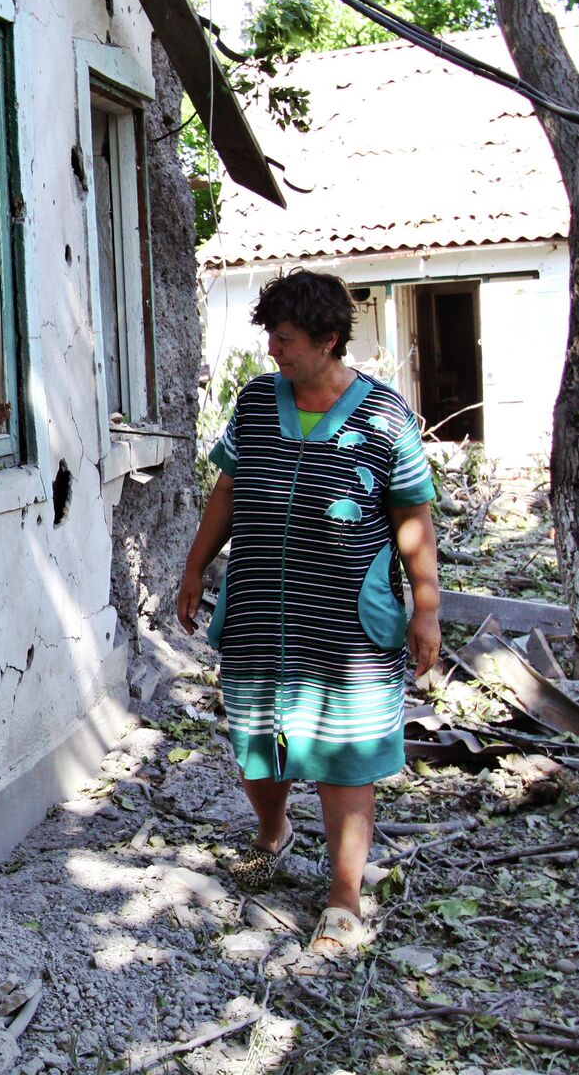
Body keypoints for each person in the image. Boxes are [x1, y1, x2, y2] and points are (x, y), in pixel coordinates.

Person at [176, 270, 441, 953]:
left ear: (328, 341)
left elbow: (413, 517)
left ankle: (344, 898)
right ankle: (274, 834)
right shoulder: (258, 403)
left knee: (344, 754)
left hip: (346, 619)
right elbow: (227, 493)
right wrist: (195, 565)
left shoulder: (386, 419)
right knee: (257, 742)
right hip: (262, 607)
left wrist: (426, 608)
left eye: (286, 339)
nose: (273, 351)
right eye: (269, 336)